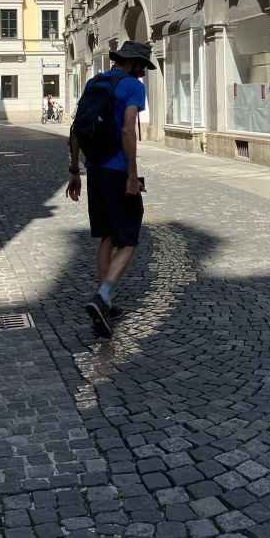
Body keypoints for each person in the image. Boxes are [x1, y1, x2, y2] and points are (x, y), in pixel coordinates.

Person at [66, 40, 154, 338]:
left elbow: (77, 126)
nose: (143, 72)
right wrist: (132, 174)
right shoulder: (132, 87)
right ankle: (102, 295)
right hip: (117, 171)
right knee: (128, 240)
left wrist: (75, 170)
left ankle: (104, 303)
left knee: (106, 236)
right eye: (143, 65)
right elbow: (129, 129)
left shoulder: (94, 82)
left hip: (95, 170)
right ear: (131, 62)